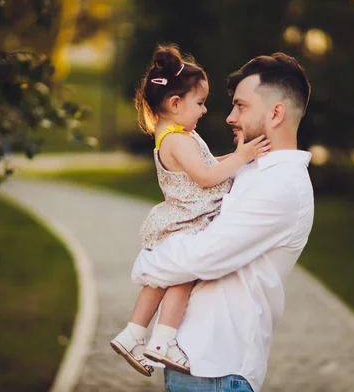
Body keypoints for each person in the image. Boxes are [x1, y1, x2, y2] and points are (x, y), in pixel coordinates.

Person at [131, 52, 314, 392]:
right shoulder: (251, 170)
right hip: (197, 363)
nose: (230, 117)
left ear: (276, 113)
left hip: (219, 370)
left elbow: (205, 257)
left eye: (241, 106)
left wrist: (147, 263)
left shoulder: (282, 185)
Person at [110, 44, 271, 377]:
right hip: (187, 222)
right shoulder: (177, 140)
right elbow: (205, 175)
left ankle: (132, 334)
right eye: (199, 103)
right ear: (175, 103)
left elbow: (211, 164)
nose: (204, 110)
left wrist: (242, 155)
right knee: (181, 278)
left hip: (182, 220)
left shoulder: (180, 135)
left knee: (159, 279)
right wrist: (242, 158)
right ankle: (162, 342)